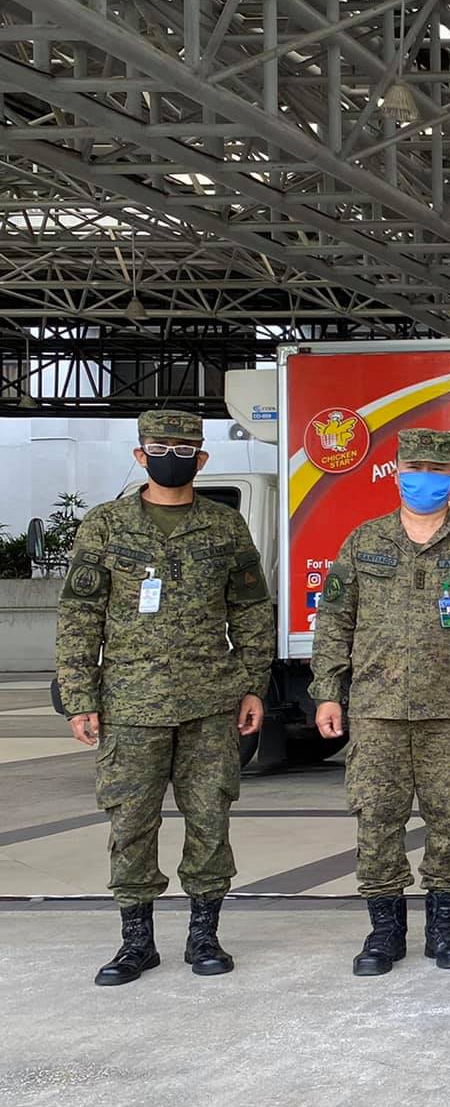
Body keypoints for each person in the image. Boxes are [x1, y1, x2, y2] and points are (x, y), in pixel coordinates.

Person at [55, 409, 270, 986]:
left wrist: (253, 684)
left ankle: (204, 936)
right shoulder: (105, 526)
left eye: (183, 446)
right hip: (130, 703)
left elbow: (251, 612)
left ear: (201, 459)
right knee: (130, 822)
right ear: (139, 454)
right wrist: (80, 696)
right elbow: (80, 614)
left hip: (210, 702)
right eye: (159, 444)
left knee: (210, 819)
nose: (171, 453)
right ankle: (136, 942)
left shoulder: (225, 528)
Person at [312, 427, 450, 975]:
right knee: (377, 817)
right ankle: (384, 932)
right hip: (375, 708)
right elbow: (334, 622)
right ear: (397, 475)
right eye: (414, 470)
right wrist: (327, 693)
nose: (423, 480)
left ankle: (445, 929)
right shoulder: (364, 542)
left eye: (435, 471)